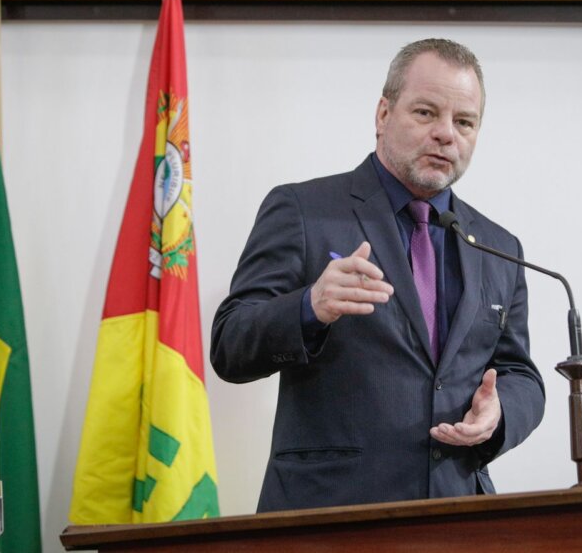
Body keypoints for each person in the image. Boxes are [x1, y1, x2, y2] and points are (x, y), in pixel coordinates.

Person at [211, 38, 545, 513]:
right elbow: (229, 345)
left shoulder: (497, 247)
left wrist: (500, 411)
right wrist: (309, 307)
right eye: (426, 113)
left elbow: (519, 373)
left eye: (464, 122)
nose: (446, 134)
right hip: (330, 514)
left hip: (457, 516)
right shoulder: (304, 211)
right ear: (383, 114)